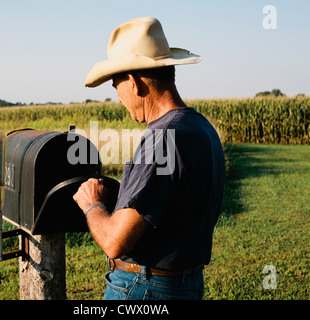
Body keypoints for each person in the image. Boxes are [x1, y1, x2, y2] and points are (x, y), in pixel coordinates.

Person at [73, 17, 225, 300]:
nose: (117, 97)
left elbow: (114, 241)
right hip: (186, 285)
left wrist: (91, 203)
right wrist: (127, 192)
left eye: (115, 84)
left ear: (133, 82)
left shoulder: (161, 138)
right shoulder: (200, 128)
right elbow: (175, 201)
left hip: (144, 288)